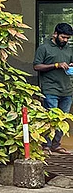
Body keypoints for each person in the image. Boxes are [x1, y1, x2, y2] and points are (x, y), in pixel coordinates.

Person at [33, 22, 73, 154]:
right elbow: (36, 66)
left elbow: (70, 62)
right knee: (50, 118)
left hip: (67, 90)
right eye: (63, 37)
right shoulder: (44, 48)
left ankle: (56, 145)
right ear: (55, 34)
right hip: (50, 89)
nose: (65, 40)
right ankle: (46, 146)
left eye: (68, 38)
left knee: (62, 119)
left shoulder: (68, 49)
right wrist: (55, 65)